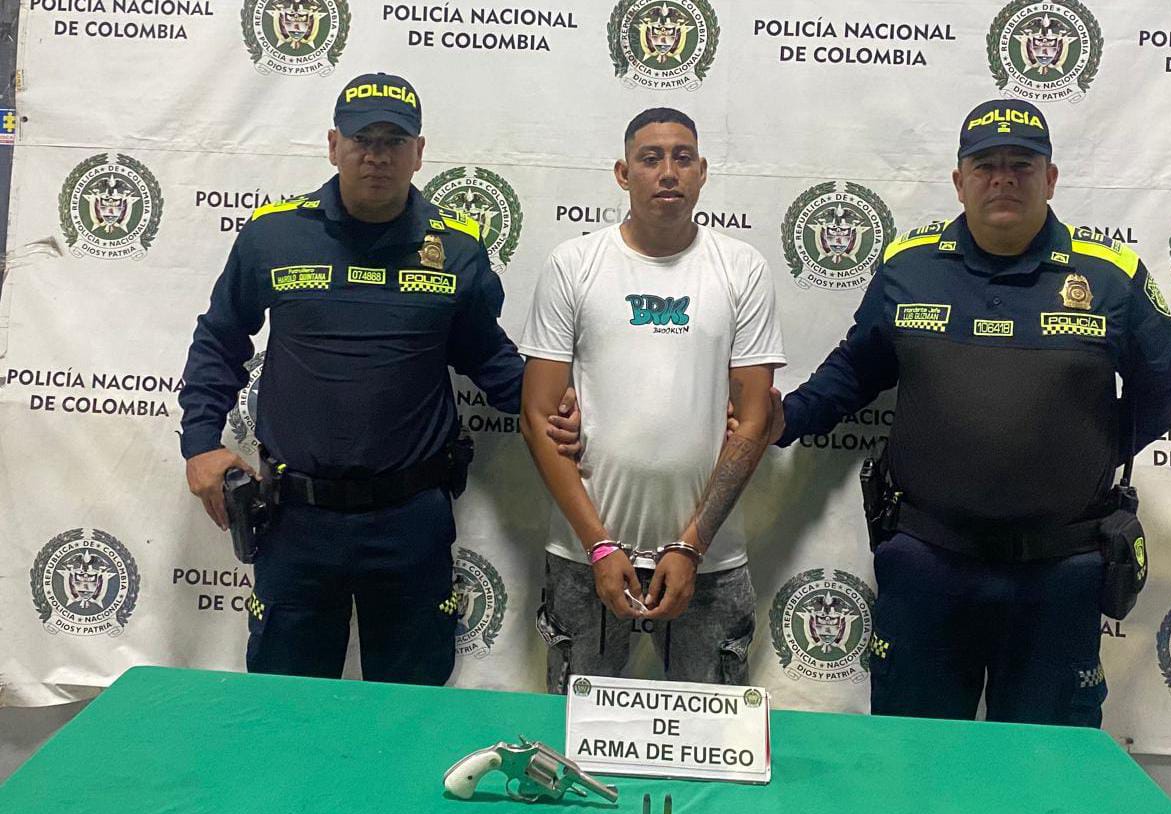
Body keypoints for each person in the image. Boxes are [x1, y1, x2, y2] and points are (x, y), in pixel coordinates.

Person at [771, 99, 1171, 727]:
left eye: (1021, 165)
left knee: (1047, 766)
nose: (1003, 179)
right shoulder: (909, 267)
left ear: (1050, 178)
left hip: (1061, 569)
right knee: (913, 759)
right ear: (959, 180)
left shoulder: (1111, 277)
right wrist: (786, 419)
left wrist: (1087, 450)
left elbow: (1169, 388)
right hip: (927, 563)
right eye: (986, 165)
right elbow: (857, 370)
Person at [179, 72, 577, 685]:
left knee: (411, 708)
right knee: (286, 705)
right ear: (333, 145)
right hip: (295, 520)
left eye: (394, 141)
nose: (377, 155)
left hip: (410, 521)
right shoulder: (273, 235)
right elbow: (220, 339)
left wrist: (562, 411)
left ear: (418, 153)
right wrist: (200, 442)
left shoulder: (457, 249)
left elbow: (488, 359)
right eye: (363, 139)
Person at [520, 108, 786, 693]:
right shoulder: (575, 265)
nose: (668, 172)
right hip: (585, 554)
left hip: (709, 558)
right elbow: (538, 418)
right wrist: (598, 545)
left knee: (713, 736)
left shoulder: (741, 268)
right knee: (578, 732)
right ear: (623, 173)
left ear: (702, 172)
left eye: (682, 158)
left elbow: (753, 419)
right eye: (650, 158)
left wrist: (691, 545)